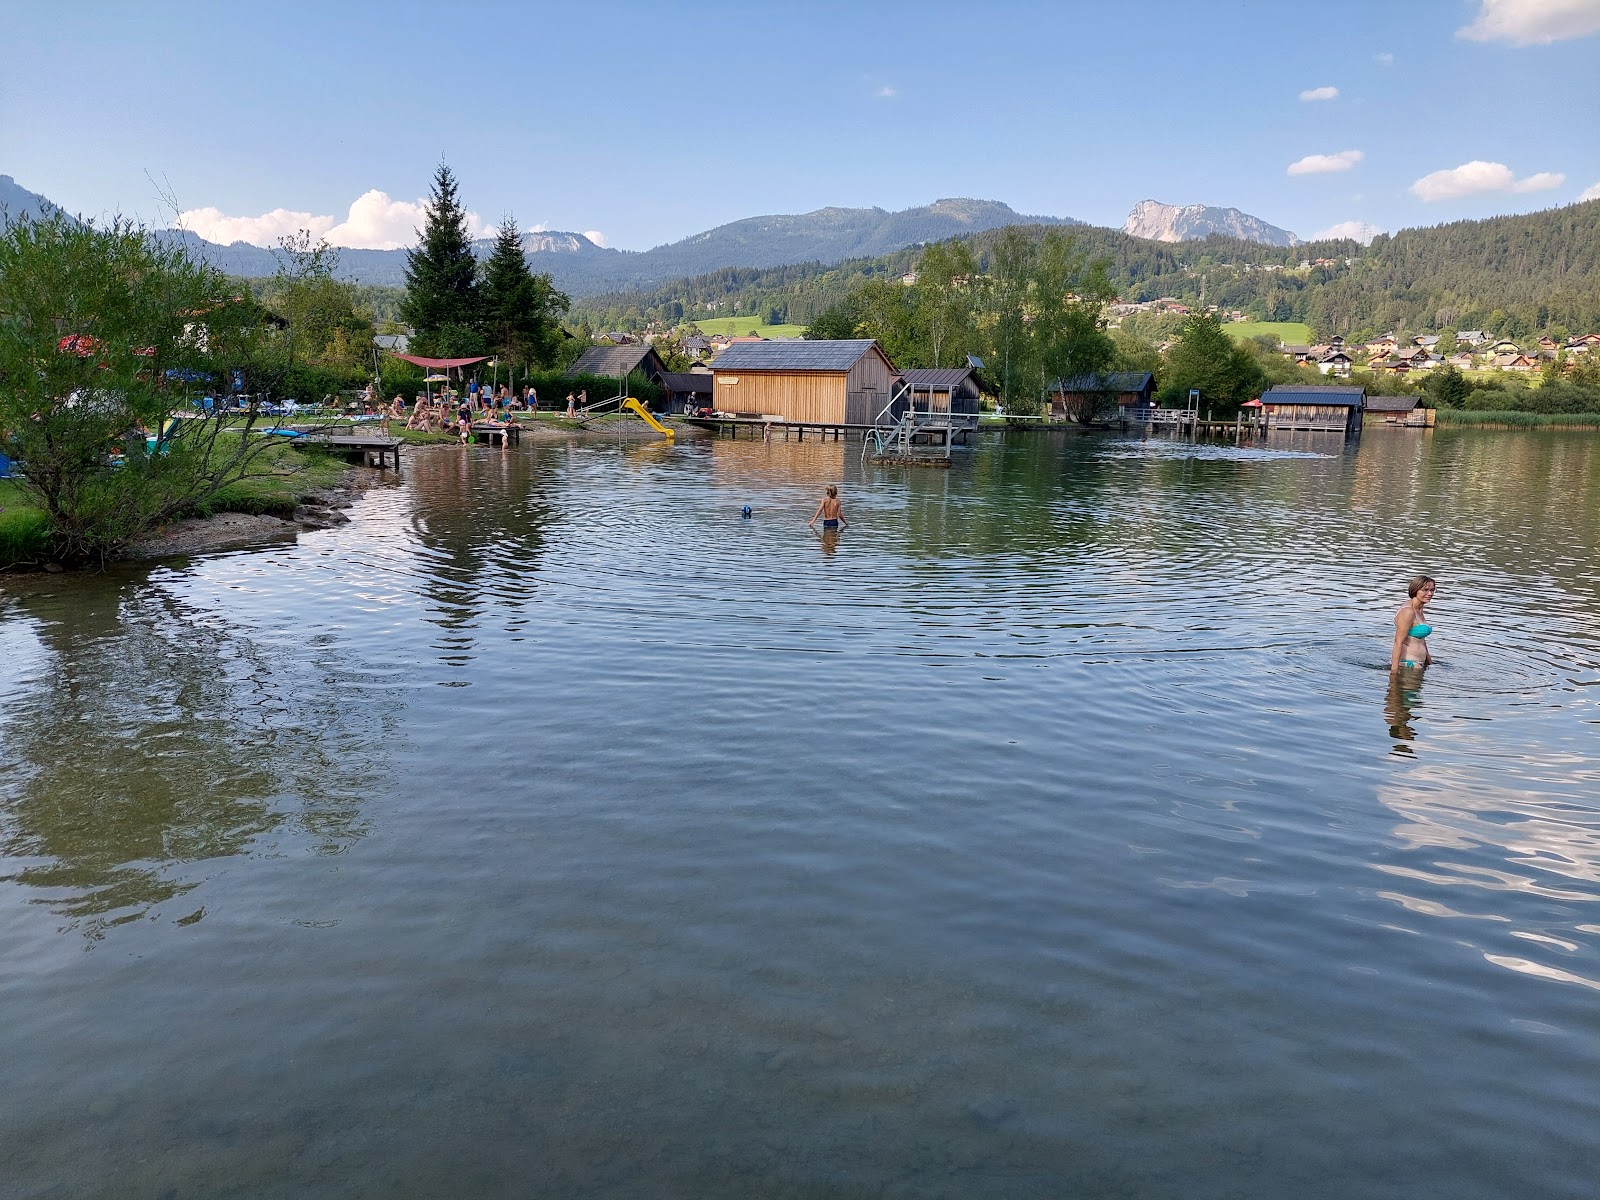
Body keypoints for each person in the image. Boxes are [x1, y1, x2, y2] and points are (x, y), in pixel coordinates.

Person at [1391, 575, 1436, 671]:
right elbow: (1398, 642)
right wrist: (1394, 672)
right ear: (1415, 590)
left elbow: (1421, 639)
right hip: (1408, 666)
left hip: (1419, 665)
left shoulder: (1419, 608)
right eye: (1425, 590)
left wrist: (1429, 662)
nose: (1429, 593)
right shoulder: (1408, 611)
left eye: (1432, 590)